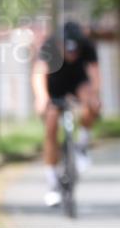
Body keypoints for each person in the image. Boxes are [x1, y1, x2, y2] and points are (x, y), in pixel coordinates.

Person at [31, 21, 101, 206]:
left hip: (77, 84)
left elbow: (95, 75)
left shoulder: (87, 46)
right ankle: (52, 183)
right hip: (54, 87)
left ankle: (82, 146)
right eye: (67, 50)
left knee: (91, 104)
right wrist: (41, 97)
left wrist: (95, 97)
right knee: (51, 125)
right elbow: (38, 74)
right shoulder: (50, 46)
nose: (72, 55)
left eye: (74, 51)